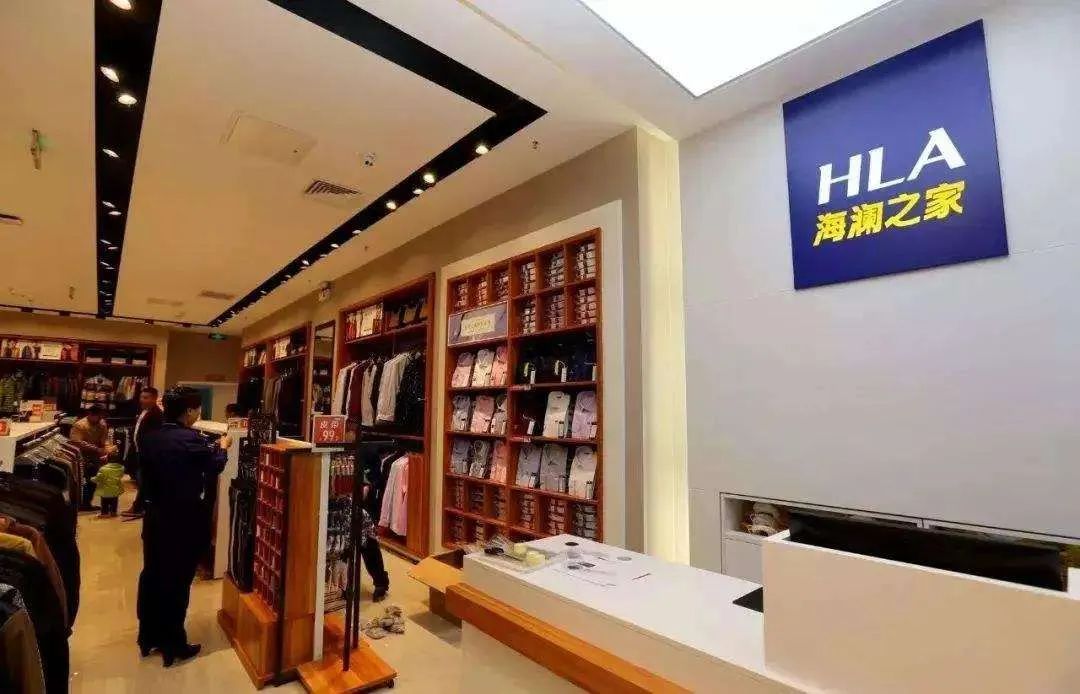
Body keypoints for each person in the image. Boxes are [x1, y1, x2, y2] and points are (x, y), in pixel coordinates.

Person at [136, 386, 230, 666]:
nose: (199, 413)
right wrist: (223, 447)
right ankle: (173, 642)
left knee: (153, 574)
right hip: (183, 517)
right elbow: (214, 466)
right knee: (177, 580)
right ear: (189, 411)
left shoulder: (150, 437)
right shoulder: (190, 439)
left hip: (155, 516)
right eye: (197, 409)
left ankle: (148, 636)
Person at [122, 387, 163, 518]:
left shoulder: (157, 414)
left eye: (146, 397)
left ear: (154, 399)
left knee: (144, 482)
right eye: (141, 397)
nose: (142, 400)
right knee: (142, 481)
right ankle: (140, 507)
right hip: (139, 451)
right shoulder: (144, 411)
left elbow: (154, 437)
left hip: (147, 453)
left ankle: (140, 507)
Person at [69, 404, 117, 511]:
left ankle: (87, 503)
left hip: (95, 456)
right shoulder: (79, 425)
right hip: (81, 456)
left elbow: (104, 439)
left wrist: (107, 450)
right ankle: (79, 503)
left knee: (93, 480)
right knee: (83, 481)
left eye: (101, 416)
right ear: (90, 414)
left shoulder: (102, 423)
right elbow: (77, 442)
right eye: (98, 416)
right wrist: (98, 449)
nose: (100, 418)